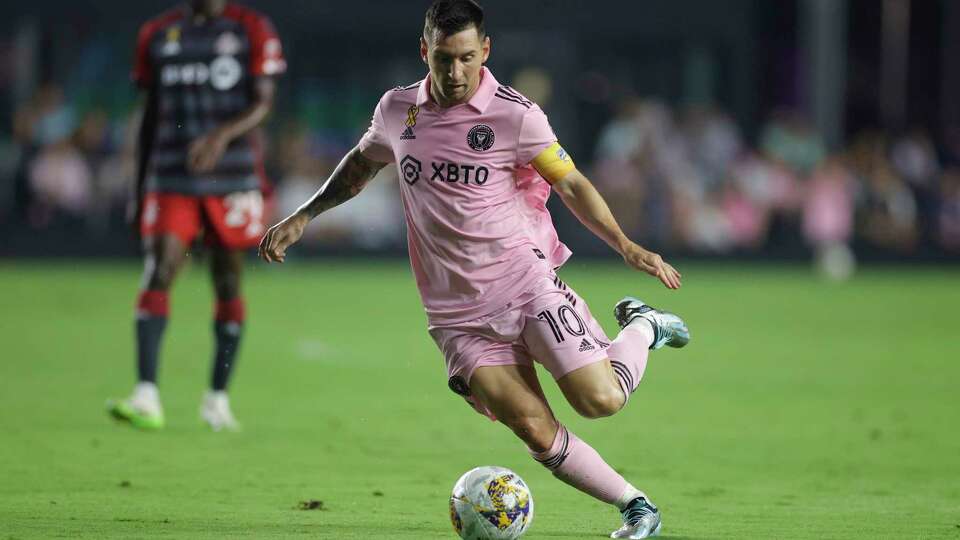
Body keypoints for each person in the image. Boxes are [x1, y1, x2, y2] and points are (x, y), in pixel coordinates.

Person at [259, 1, 688, 537]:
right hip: (455, 317)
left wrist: (625, 245)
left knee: (600, 400)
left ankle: (643, 326)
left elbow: (570, 182)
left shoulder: (515, 114)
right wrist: (305, 215)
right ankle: (636, 506)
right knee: (533, 428)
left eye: (466, 57)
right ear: (425, 53)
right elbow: (361, 164)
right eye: (444, 59)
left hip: (525, 286)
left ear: (485, 51)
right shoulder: (398, 111)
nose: (456, 73)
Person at [107, 0, 286, 431]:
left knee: (227, 282)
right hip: (171, 176)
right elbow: (149, 114)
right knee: (159, 268)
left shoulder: (252, 29)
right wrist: (137, 187)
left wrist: (221, 136)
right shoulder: (157, 33)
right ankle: (147, 394)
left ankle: (217, 399)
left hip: (233, 176)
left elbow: (264, 102)